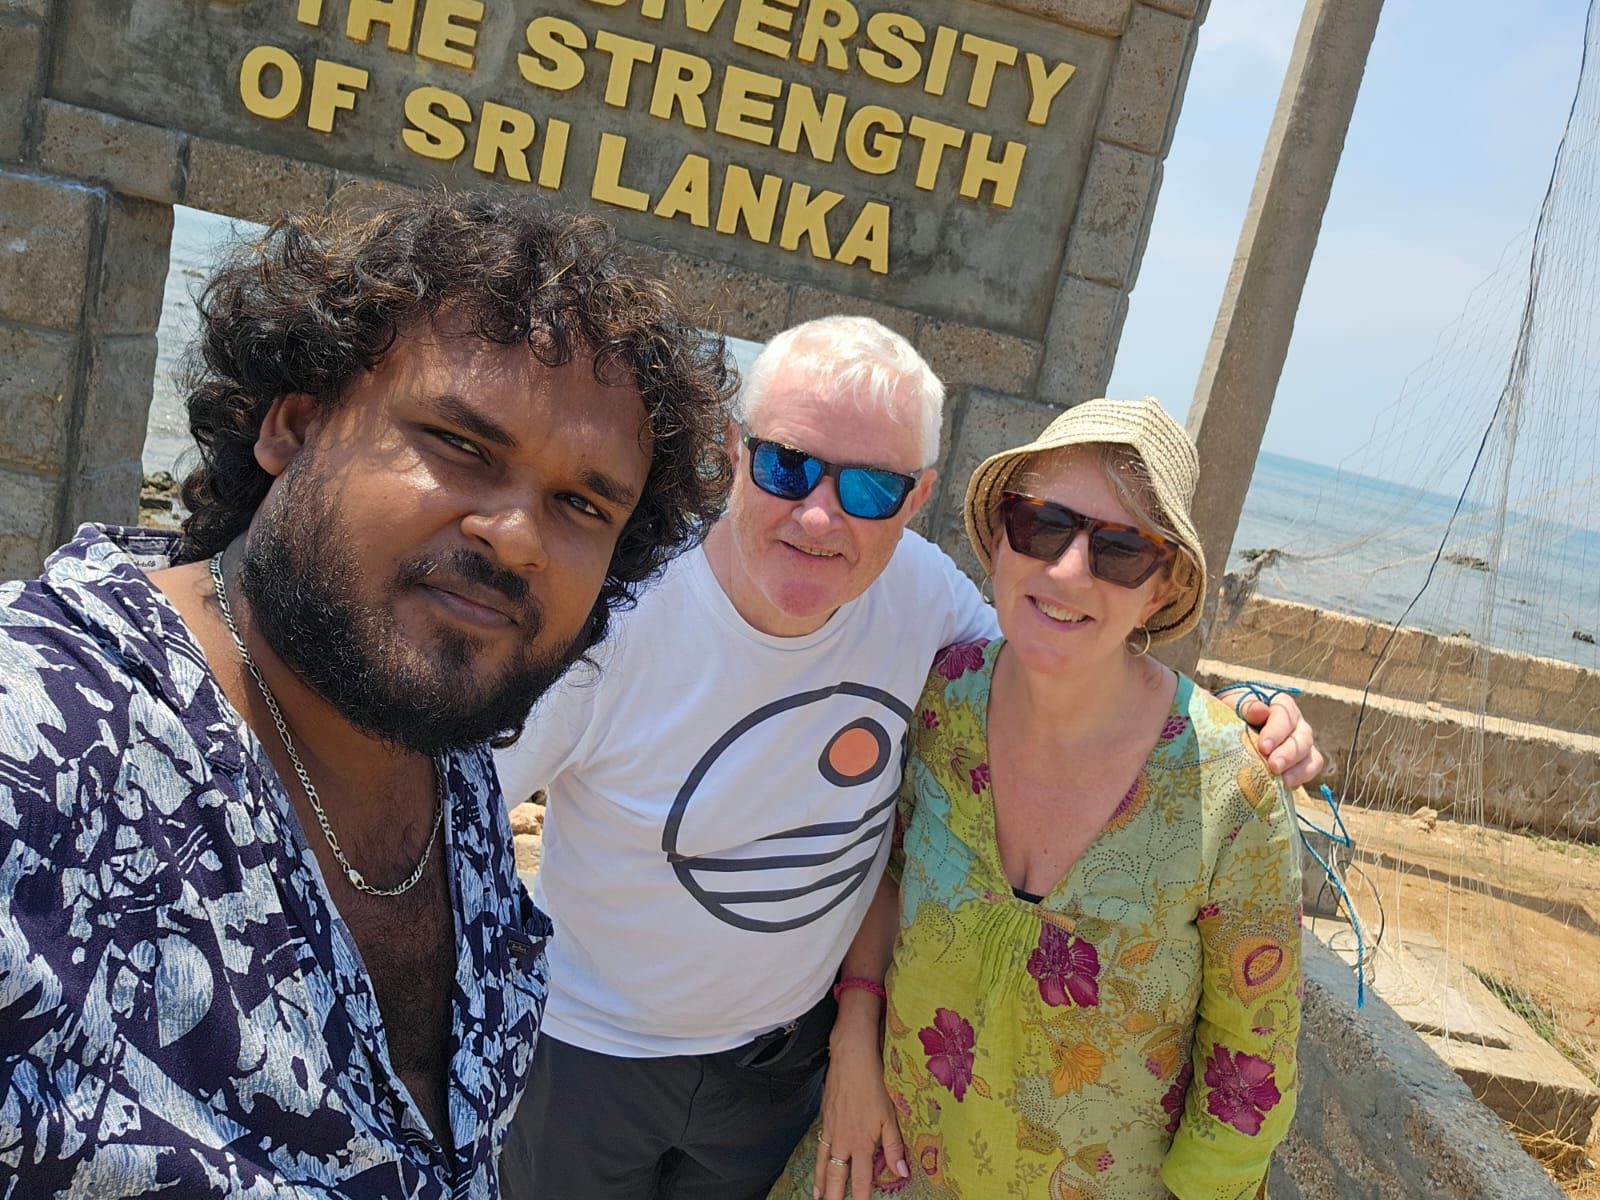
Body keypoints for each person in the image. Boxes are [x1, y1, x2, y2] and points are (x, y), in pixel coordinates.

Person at [0, 191, 733, 1197]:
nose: (514, 536)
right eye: (459, 444)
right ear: (293, 424)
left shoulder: (443, 754)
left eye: (580, 504)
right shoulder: (38, 745)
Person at [495, 323, 1321, 1199]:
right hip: (593, 1058)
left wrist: (1235, 718)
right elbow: (437, 820)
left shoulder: (928, 612)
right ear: (735, 451)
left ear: (916, 499)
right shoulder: (618, 625)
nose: (821, 515)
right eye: (786, 466)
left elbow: (1070, 666)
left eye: (870, 488)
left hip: (780, 1075)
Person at [771, 398, 1303, 1200]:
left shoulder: (1234, 789)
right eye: (1043, 525)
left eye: (1122, 551)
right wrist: (853, 1043)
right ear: (998, 541)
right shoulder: (943, 698)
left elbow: (1248, 1067)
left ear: (1159, 592)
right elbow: (885, 871)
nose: (1066, 571)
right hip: (887, 1162)